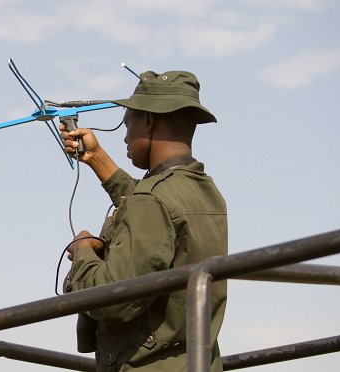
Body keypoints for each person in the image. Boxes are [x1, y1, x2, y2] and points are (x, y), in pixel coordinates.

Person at [60, 70, 228, 372]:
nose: (125, 137)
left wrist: (84, 251)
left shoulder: (153, 200)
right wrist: (96, 158)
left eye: (128, 124)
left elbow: (114, 300)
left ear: (149, 121)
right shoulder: (205, 190)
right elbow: (154, 206)